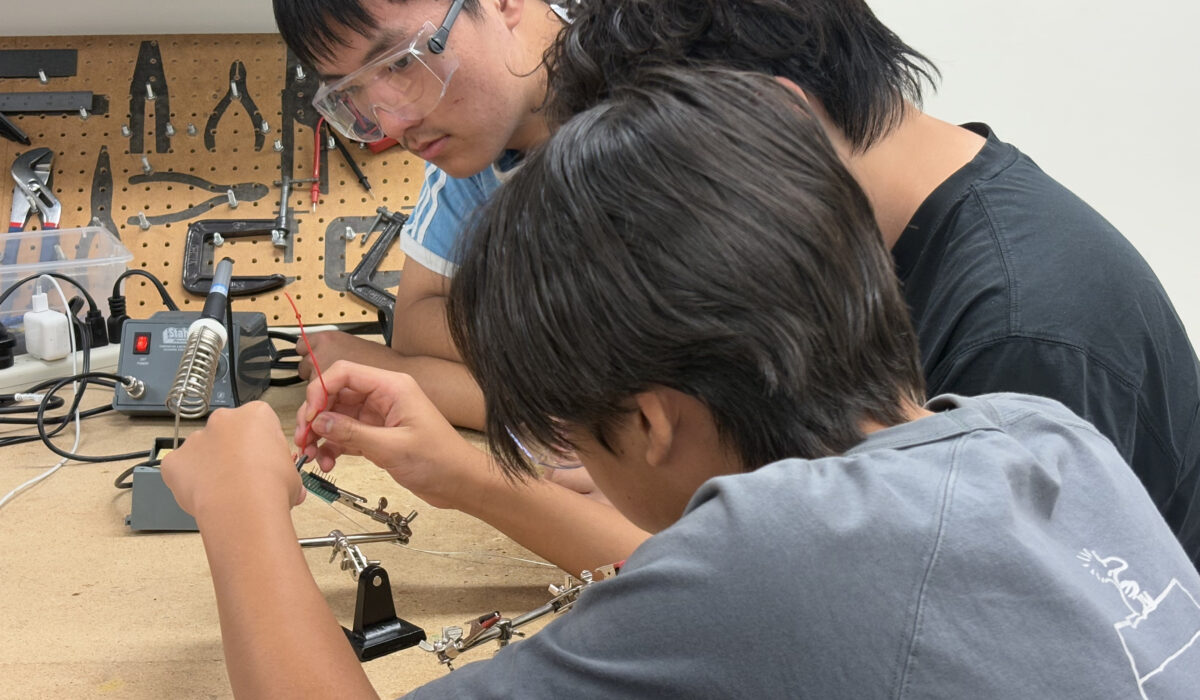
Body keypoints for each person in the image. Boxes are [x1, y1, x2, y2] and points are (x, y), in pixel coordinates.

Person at [162, 67, 1200, 698]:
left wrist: (240, 504)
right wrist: (463, 474)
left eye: (574, 437)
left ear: (653, 422)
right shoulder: (1034, 435)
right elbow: (727, 580)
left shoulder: (773, 569)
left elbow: (731, 582)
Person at [541, 0, 1200, 565]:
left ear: (778, 121)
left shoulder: (1018, 336)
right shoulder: (878, 252)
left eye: (665, 194)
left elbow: (955, 626)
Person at [272, 0, 575, 431]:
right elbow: (415, 324)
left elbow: (615, 414)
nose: (393, 124)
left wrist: (395, 373)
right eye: (351, 91)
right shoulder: (478, 143)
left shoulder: (674, 104)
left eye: (399, 62)